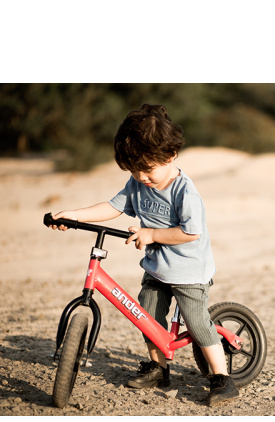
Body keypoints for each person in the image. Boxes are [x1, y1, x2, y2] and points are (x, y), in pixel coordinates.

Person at [50, 104, 238, 406]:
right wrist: (72, 214)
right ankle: (158, 368)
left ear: (171, 156)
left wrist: (151, 234)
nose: (141, 176)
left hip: (189, 271)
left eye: (148, 169)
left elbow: (191, 232)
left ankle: (222, 378)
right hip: (157, 268)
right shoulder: (137, 183)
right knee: (147, 318)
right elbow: (113, 206)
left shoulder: (184, 192)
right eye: (133, 170)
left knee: (197, 321)